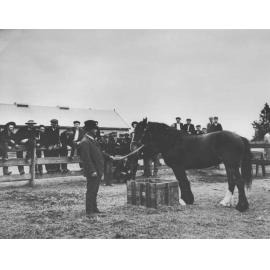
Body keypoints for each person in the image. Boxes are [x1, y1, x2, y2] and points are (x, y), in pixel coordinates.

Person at [80, 120, 109, 215]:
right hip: (93, 171)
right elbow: (86, 159)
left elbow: (99, 153)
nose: (96, 131)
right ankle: (89, 210)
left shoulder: (92, 140)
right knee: (91, 190)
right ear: (89, 130)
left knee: (95, 190)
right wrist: (92, 170)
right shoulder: (85, 142)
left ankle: (94, 208)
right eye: (94, 129)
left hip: (98, 170)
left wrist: (110, 156)